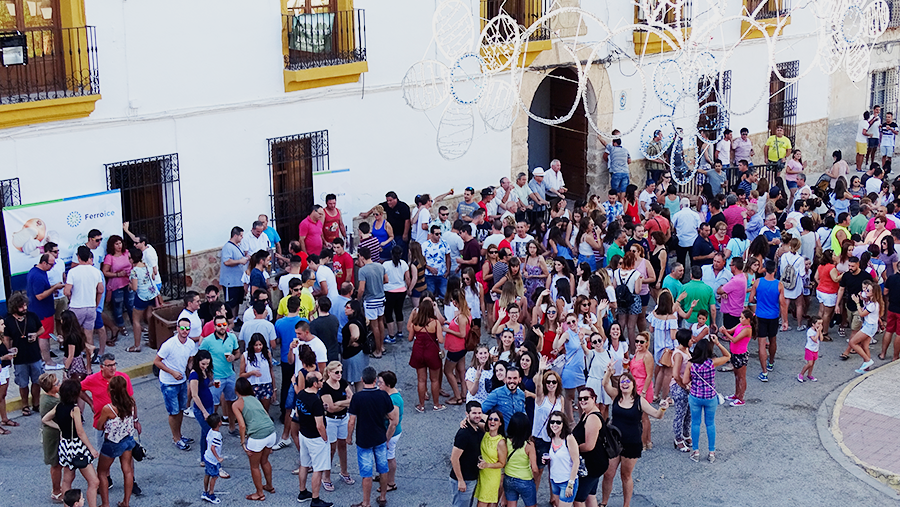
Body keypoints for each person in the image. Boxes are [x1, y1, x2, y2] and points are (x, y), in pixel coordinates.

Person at [600, 369, 669, 507]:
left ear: (633, 384)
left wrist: (663, 408)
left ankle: (626, 504)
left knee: (625, 476)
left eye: (627, 381)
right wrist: (608, 371)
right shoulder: (615, 396)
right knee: (608, 474)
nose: (624, 384)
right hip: (614, 442)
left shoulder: (639, 401)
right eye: (622, 382)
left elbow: (657, 415)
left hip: (631, 443)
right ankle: (604, 502)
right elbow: (605, 384)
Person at [42, 379, 100, 507]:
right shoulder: (75, 409)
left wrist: (59, 428)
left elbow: (45, 419)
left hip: (65, 447)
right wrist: (91, 449)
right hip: (77, 447)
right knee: (94, 481)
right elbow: (80, 432)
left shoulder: (59, 406)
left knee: (67, 479)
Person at [347, 366, 399, 507]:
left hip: (364, 439)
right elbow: (393, 418)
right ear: (375, 380)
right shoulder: (383, 396)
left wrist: (349, 437)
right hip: (380, 437)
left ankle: (366, 503)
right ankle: (382, 497)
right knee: (383, 469)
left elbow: (351, 421)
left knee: (366, 473)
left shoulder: (357, 397)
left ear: (362, 380)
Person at [153, 317, 197, 450]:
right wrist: (172, 372)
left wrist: (191, 370)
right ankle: (176, 438)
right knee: (173, 411)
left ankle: (179, 434)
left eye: (187, 328)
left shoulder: (190, 344)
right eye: (182, 328)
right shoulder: (168, 345)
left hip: (182, 380)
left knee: (181, 410)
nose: (185, 331)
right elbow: (157, 361)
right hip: (168, 382)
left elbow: (189, 360)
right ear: (177, 328)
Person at [95, 376, 137, 507]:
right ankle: (126, 502)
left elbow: (99, 425)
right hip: (128, 439)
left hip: (113, 442)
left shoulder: (109, 409)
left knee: (102, 472)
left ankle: (105, 504)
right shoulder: (131, 402)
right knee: (127, 470)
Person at [233, 377, 277, 501]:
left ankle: (259, 493)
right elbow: (265, 415)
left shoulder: (236, 404)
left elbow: (241, 425)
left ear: (236, 390)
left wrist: (243, 442)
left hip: (257, 436)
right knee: (265, 461)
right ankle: (269, 486)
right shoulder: (254, 399)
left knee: (254, 466)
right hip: (271, 432)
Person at [294, 371, 332, 507]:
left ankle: (302, 491)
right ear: (315, 383)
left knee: (304, 464)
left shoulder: (301, 394)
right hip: (315, 438)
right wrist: (325, 438)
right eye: (321, 380)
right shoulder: (315, 400)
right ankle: (315, 500)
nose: (323, 382)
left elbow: (298, 413)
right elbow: (320, 425)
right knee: (318, 469)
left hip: (303, 434)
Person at [201, 314, 241, 435]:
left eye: (224, 325)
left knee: (231, 401)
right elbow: (200, 357)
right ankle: (211, 431)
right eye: (219, 325)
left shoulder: (232, 338)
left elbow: (237, 352)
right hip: (216, 377)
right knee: (213, 404)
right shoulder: (208, 341)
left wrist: (234, 357)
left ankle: (232, 427)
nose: (222, 327)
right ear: (214, 327)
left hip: (230, 375)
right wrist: (206, 373)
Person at [748, 260, 788, 382]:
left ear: (764, 269)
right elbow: (783, 304)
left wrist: (758, 301)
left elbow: (751, 299)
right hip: (773, 316)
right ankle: (771, 362)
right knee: (773, 340)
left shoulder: (758, 282)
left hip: (760, 316)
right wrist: (785, 321)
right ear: (775, 270)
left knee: (761, 344)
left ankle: (764, 372)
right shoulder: (779, 285)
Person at [319, 361, 355, 491]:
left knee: (343, 445)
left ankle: (344, 472)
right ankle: (326, 477)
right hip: (331, 420)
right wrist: (344, 403)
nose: (339, 374)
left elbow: (353, 400)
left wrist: (340, 402)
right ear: (329, 373)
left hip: (343, 418)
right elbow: (331, 409)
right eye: (336, 372)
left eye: (340, 372)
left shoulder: (343, 382)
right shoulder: (325, 388)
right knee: (331, 448)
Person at [407, 298, 446, 412]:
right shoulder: (435, 322)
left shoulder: (415, 323)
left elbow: (410, 338)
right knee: (434, 380)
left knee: (421, 380)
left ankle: (421, 405)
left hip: (418, 351)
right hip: (432, 352)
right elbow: (440, 340)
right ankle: (436, 404)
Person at [27, 254, 65, 369]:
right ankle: (48, 362)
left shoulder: (35, 272)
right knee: (44, 336)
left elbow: (42, 290)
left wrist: (53, 287)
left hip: (39, 310)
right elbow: (39, 296)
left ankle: (43, 359)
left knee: (43, 335)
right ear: (44, 263)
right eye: (51, 264)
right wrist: (53, 288)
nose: (52, 267)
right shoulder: (38, 276)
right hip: (42, 311)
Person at [572, 387, 608, 507]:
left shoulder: (592, 418)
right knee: (590, 495)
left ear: (593, 398)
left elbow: (589, 446)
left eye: (586, 398)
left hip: (592, 465)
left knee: (578, 498)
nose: (582, 401)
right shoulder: (586, 414)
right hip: (595, 463)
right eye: (580, 398)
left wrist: (572, 449)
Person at [189, 350, 219, 472]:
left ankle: (203, 458)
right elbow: (195, 395)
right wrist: (204, 412)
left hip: (209, 405)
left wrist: (212, 384)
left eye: (207, 364)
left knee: (205, 433)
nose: (205, 366)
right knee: (209, 433)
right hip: (202, 409)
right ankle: (210, 458)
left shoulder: (204, 371)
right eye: (203, 364)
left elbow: (205, 386)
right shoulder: (194, 374)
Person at [450, 401, 484, 507]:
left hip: (472, 477)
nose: (477, 416)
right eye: (474, 413)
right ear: (467, 414)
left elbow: (493, 426)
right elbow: (454, 458)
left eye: (479, 413)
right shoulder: (463, 434)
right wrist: (460, 480)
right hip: (464, 479)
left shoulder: (477, 429)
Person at [842, 280, 880, 374]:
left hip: (869, 327)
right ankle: (866, 368)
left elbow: (862, 314)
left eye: (868, 290)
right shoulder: (871, 302)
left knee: (852, 342)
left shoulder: (872, 305)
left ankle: (867, 360)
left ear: (873, 293)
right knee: (865, 346)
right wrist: (862, 298)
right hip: (869, 326)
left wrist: (857, 303)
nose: (865, 291)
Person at [720, 308, 756, 407]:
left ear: (748, 319)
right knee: (736, 376)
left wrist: (726, 333)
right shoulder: (740, 325)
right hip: (734, 353)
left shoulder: (747, 329)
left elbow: (734, 339)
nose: (740, 319)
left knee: (741, 377)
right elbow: (730, 331)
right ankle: (736, 394)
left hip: (741, 354)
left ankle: (741, 397)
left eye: (742, 318)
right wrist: (724, 330)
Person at [357, 246, 388, 358]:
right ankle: (382, 346)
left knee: (374, 326)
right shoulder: (380, 266)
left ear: (361, 257)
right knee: (380, 323)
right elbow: (386, 280)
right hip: (381, 298)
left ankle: (378, 350)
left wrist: (358, 299)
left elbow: (361, 289)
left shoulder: (363, 270)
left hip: (370, 300)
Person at [101, 236, 133, 342]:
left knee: (131, 305)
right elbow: (105, 272)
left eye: (120, 243)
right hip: (116, 284)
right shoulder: (109, 257)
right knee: (118, 307)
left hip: (128, 282)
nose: (119, 246)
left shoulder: (126, 253)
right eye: (116, 244)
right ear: (112, 246)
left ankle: (135, 324)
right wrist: (118, 274)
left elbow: (132, 264)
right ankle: (120, 326)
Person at [377, 370, 403, 498]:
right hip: (387, 431)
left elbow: (394, 422)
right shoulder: (388, 394)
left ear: (388, 384)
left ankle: (391, 482)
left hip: (391, 434)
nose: (378, 384)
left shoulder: (394, 400)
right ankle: (383, 476)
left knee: (389, 457)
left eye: (381, 382)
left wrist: (386, 439)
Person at [126, 247, 158, 352]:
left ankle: (137, 345)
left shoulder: (134, 271)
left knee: (136, 320)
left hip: (141, 296)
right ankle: (152, 341)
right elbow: (153, 276)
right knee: (150, 318)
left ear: (132, 259)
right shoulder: (147, 266)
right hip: (151, 294)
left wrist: (130, 284)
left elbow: (135, 288)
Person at [474, 409, 508, 507]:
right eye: (490, 419)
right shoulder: (486, 432)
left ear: (500, 423)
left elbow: (502, 463)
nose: (492, 421)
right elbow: (474, 422)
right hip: (482, 474)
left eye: (496, 420)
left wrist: (487, 464)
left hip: (491, 477)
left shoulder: (501, 442)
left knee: (482, 504)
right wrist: (464, 421)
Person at [39, 372, 63, 502]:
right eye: (57, 383)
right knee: (56, 464)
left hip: (53, 433)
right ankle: (56, 491)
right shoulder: (52, 401)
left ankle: (58, 488)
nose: (59, 384)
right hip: (52, 435)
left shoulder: (50, 396)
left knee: (57, 463)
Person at [382, 246, 410, 344]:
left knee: (389, 313)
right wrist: (409, 289)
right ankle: (400, 331)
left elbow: (383, 278)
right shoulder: (404, 264)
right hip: (401, 290)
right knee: (399, 311)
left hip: (389, 291)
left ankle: (391, 335)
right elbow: (407, 278)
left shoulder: (386, 264)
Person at [240, 333, 274, 412]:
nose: (258, 347)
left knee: (265, 410)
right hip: (252, 385)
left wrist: (274, 388)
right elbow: (241, 374)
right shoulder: (245, 355)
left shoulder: (267, 353)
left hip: (266, 385)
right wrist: (251, 373)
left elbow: (271, 371)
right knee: (253, 410)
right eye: (256, 345)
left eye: (260, 344)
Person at [221, 227, 250, 313]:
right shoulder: (227, 247)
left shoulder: (239, 246)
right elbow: (226, 261)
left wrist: (246, 258)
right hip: (231, 282)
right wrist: (240, 261)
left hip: (238, 281)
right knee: (231, 303)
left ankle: (236, 319)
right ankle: (231, 319)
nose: (242, 237)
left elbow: (239, 257)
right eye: (241, 235)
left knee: (238, 302)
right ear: (235, 235)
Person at [202, 413, 225, 504]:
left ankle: (205, 491)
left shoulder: (210, 431)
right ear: (219, 423)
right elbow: (213, 448)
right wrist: (218, 458)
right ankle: (211, 494)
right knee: (214, 476)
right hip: (212, 460)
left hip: (207, 457)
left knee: (207, 474)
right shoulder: (217, 435)